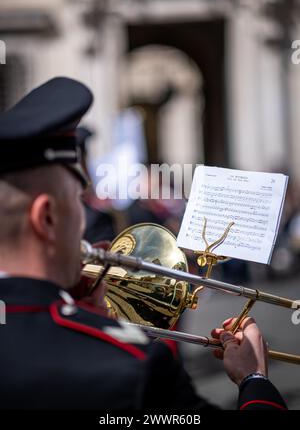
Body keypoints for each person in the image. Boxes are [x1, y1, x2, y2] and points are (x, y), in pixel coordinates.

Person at [0, 77, 287, 410]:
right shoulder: (133, 364)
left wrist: (78, 307)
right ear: (47, 217)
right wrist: (255, 380)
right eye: (78, 201)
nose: (84, 218)